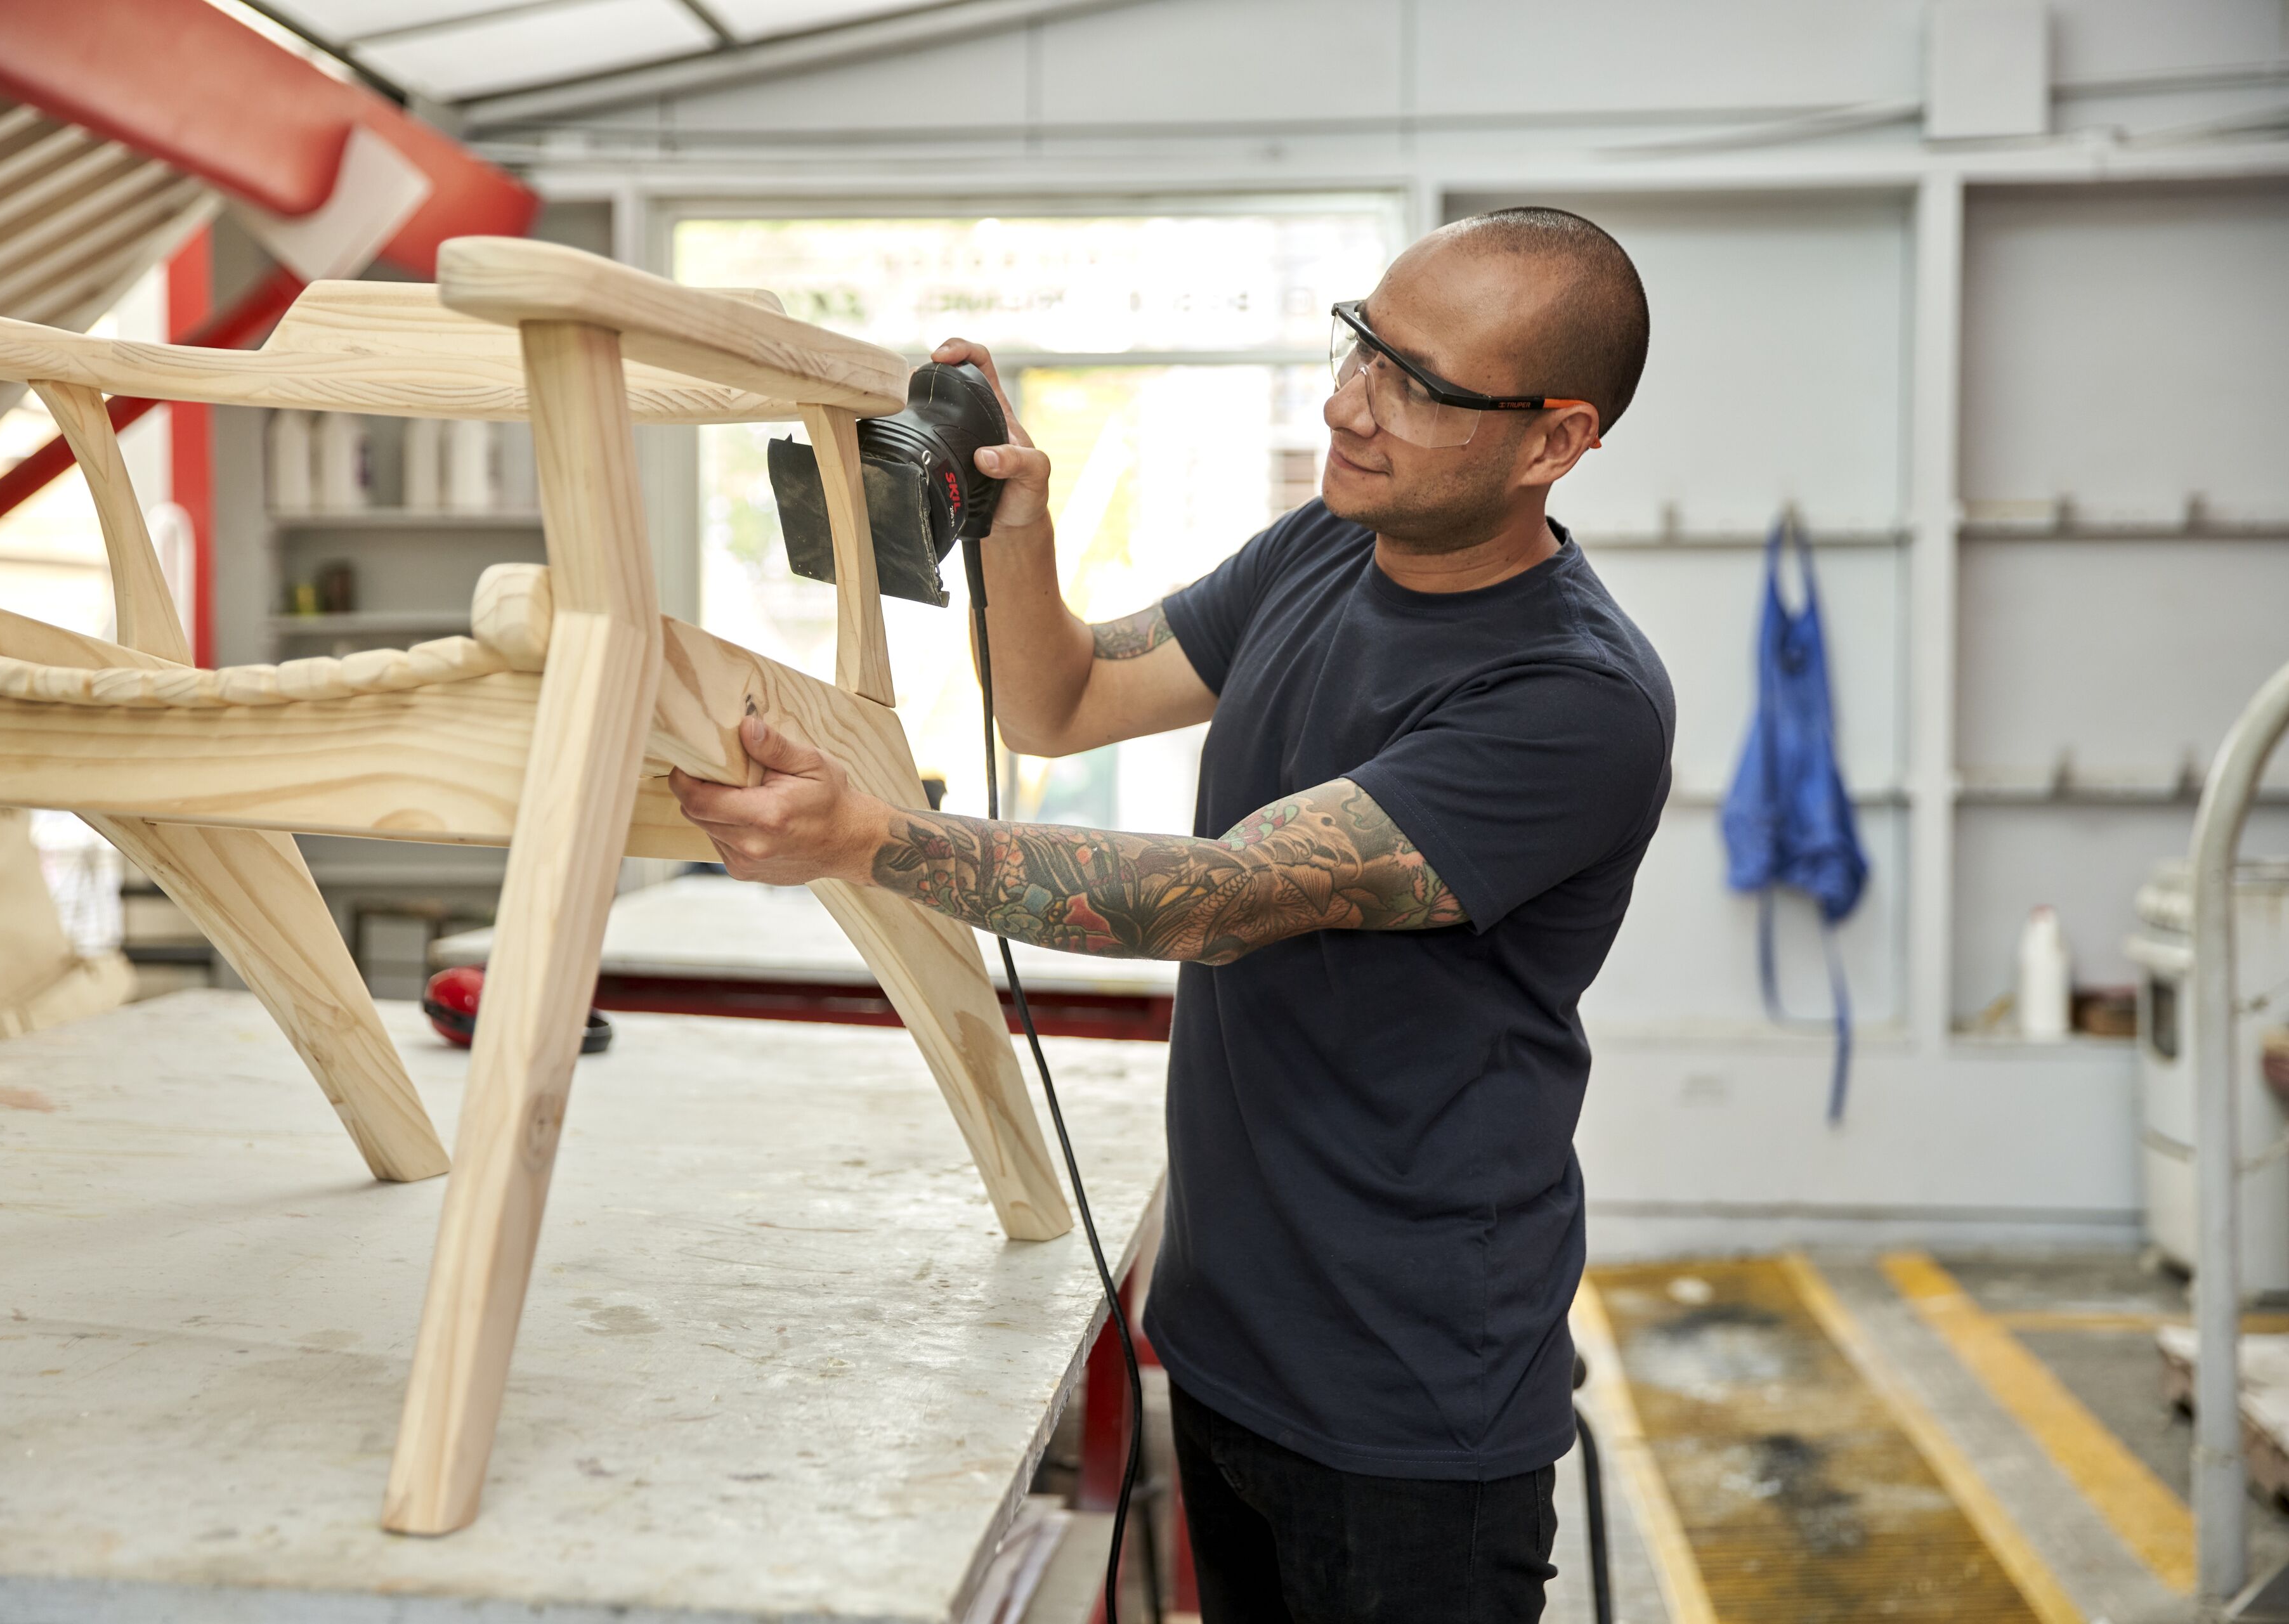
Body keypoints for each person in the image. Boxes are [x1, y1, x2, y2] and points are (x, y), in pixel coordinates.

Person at [668, 205, 1673, 1623]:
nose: (1346, 405)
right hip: (1225, 1337)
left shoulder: (1570, 702)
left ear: (1555, 441)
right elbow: (1060, 699)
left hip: (1410, 1397)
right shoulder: (1321, 552)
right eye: (1358, 347)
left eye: (1414, 384)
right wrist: (1020, 526)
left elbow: (1222, 900)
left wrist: (868, 839)